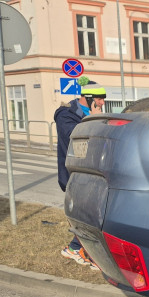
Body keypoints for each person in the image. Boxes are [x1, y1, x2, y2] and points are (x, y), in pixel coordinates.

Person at [55, 82, 107, 268]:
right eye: (100, 99)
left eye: (103, 99)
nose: (102, 103)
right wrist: (93, 119)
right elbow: (74, 136)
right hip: (73, 174)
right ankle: (76, 248)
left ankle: (77, 248)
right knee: (86, 215)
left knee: (91, 214)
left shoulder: (94, 114)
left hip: (91, 172)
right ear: (90, 98)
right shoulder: (66, 114)